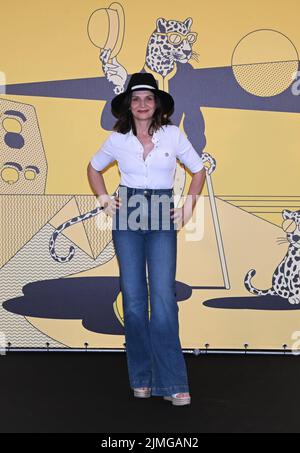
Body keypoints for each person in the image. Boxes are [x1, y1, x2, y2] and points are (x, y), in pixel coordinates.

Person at [87, 73, 206, 406]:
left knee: (164, 299)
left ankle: (173, 384)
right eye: (136, 99)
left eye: (148, 98)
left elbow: (198, 171)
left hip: (161, 212)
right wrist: (104, 200)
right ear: (128, 104)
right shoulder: (117, 139)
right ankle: (141, 378)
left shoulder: (172, 135)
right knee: (135, 301)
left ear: (157, 105)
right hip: (127, 214)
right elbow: (94, 169)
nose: (142, 104)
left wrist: (188, 208)